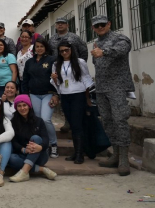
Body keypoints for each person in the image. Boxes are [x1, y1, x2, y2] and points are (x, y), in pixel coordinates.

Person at [90, 14, 135, 176]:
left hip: (117, 87)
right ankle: (115, 154)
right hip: (101, 88)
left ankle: (124, 158)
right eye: (97, 26)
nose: (100, 27)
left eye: (103, 24)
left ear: (109, 24)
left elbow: (122, 50)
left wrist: (104, 52)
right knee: (108, 121)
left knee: (120, 120)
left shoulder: (119, 38)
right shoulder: (97, 43)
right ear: (93, 28)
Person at [51, 40, 93, 164]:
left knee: (77, 124)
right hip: (65, 95)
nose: (64, 53)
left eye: (66, 50)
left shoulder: (80, 62)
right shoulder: (56, 64)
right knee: (72, 124)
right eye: (61, 51)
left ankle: (80, 154)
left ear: (71, 50)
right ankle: (76, 152)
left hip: (78, 95)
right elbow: (57, 83)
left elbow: (86, 78)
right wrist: (54, 79)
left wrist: (88, 96)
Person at [21, 37, 59, 158]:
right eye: (37, 46)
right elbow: (25, 80)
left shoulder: (52, 60)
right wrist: (25, 95)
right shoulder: (29, 62)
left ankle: (54, 144)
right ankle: (44, 144)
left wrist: (56, 94)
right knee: (37, 120)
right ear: (34, 48)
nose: (39, 48)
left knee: (46, 119)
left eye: (41, 46)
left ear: (46, 47)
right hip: (33, 95)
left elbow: (57, 79)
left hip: (48, 94)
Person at [8, 95, 57, 182]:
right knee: (11, 159)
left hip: (40, 154)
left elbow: (46, 139)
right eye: (19, 106)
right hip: (23, 154)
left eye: (24, 105)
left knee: (36, 138)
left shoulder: (39, 121)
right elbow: (14, 141)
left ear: (29, 106)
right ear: (16, 108)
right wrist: (24, 150)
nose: (22, 108)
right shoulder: (13, 122)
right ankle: (42, 169)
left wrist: (40, 147)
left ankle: (24, 172)